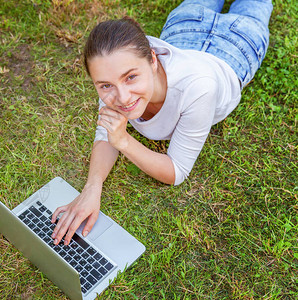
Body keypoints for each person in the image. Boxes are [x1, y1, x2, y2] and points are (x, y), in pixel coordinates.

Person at [51, 0, 273, 246]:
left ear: (153, 59)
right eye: (105, 85)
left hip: (235, 44)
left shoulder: (198, 88)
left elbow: (176, 171)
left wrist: (124, 141)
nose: (122, 98)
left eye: (131, 77)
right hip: (188, 24)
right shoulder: (114, 63)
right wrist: (92, 188)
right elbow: (106, 135)